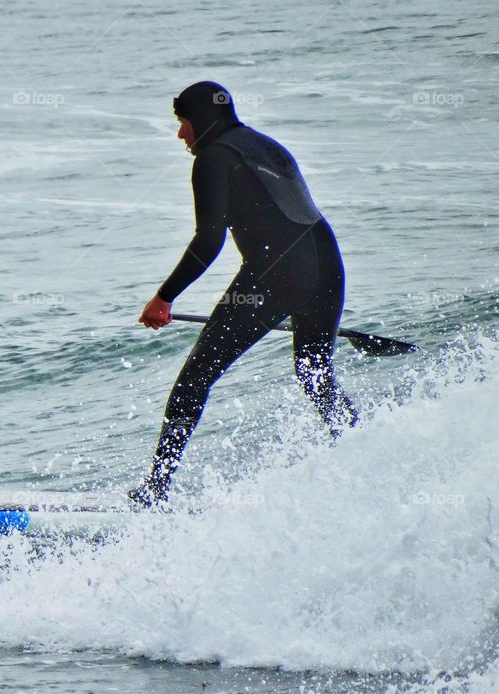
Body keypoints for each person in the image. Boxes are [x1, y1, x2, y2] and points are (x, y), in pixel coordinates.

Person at [128, 81, 358, 508]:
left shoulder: (214, 158)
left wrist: (164, 297)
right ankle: (363, 452)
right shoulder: (264, 146)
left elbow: (209, 239)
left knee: (195, 378)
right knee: (315, 375)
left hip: (277, 272)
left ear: (202, 120)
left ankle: (154, 492)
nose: (181, 135)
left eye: (183, 123)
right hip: (327, 264)